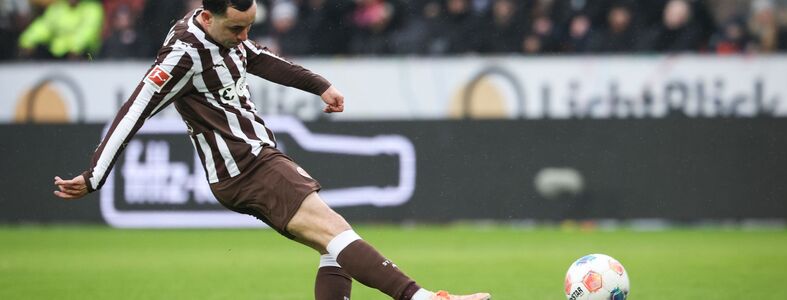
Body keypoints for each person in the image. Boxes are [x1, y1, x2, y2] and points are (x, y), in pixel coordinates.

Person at [52, 1, 491, 300]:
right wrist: (95, 175)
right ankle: (422, 297)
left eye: (249, 26)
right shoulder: (181, 58)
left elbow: (258, 56)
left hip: (255, 162)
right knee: (338, 234)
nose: (244, 35)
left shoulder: (227, 34)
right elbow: (134, 111)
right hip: (247, 167)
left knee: (334, 242)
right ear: (206, 18)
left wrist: (320, 84)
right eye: (235, 28)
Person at [18, 0, 103, 59]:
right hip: (58, 54)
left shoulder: (92, 8)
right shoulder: (58, 8)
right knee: (37, 53)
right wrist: (27, 41)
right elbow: (44, 26)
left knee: (88, 57)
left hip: (85, 53)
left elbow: (87, 31)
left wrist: (74, 47)